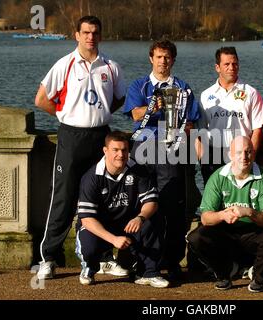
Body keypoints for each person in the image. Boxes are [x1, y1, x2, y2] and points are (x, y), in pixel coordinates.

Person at [35, 16, 127, 280]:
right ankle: (49, 258)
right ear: (76, 35)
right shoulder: (65, 64)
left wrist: (99, 115)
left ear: (100, 35)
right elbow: (41, 99)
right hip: (71, 137)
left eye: (95, 33)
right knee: (63, 198)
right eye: (85, 32)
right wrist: (65, 115)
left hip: (101, 137)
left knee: (103, 198)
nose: (90, 37)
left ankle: (104, 257)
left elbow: (118, 99)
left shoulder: (111, 66)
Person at [123, 40, 200, 280]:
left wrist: (180, 128)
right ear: (151, 59)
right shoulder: (139, 84)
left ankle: (172, 261)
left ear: (173, 60)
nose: (162, 61)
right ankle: (136, 259)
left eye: (167, 57)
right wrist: (153, 109)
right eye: (158, 57)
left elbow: (191, 121)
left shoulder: (183, 87)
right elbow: (134, 114)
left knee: (172, 209)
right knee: (139, 206)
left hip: (171, 150)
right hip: (143, 148)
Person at [187, 136, 263, 292]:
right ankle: (223, 274)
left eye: (248, 152)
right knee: (195, 237)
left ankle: (258, 276)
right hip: (226, 233)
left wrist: (249, 212)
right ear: (230, 155)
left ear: (253, 153)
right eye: (239, 152)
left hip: (253, 232)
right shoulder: (218, 177)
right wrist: (222, 215)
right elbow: (206, 218)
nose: (244, 157)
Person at [75, 131, 169, 287]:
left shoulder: (138, 170)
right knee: (89, 243)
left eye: (124, 150)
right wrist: (113, 239)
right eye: (115, 150)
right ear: (105, 151)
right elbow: (87, 219)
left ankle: (148, 273)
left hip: (128, 223)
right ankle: (89, 267)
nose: (121, 155)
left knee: (153, 217)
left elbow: (151, 202)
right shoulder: (91, 177)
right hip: (100, 226)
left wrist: (140, 217)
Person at [196, 46, 263, 185]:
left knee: (239, 201)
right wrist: (202, 159)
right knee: (214, 204)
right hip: (213, 155)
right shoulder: (206, 95)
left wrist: (251, 157)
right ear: (217, 67)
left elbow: (257, 129)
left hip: (241, 154)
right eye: (226, 64)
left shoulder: (251, 92)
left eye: (235, 64)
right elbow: (200, 131)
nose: (231, 67)